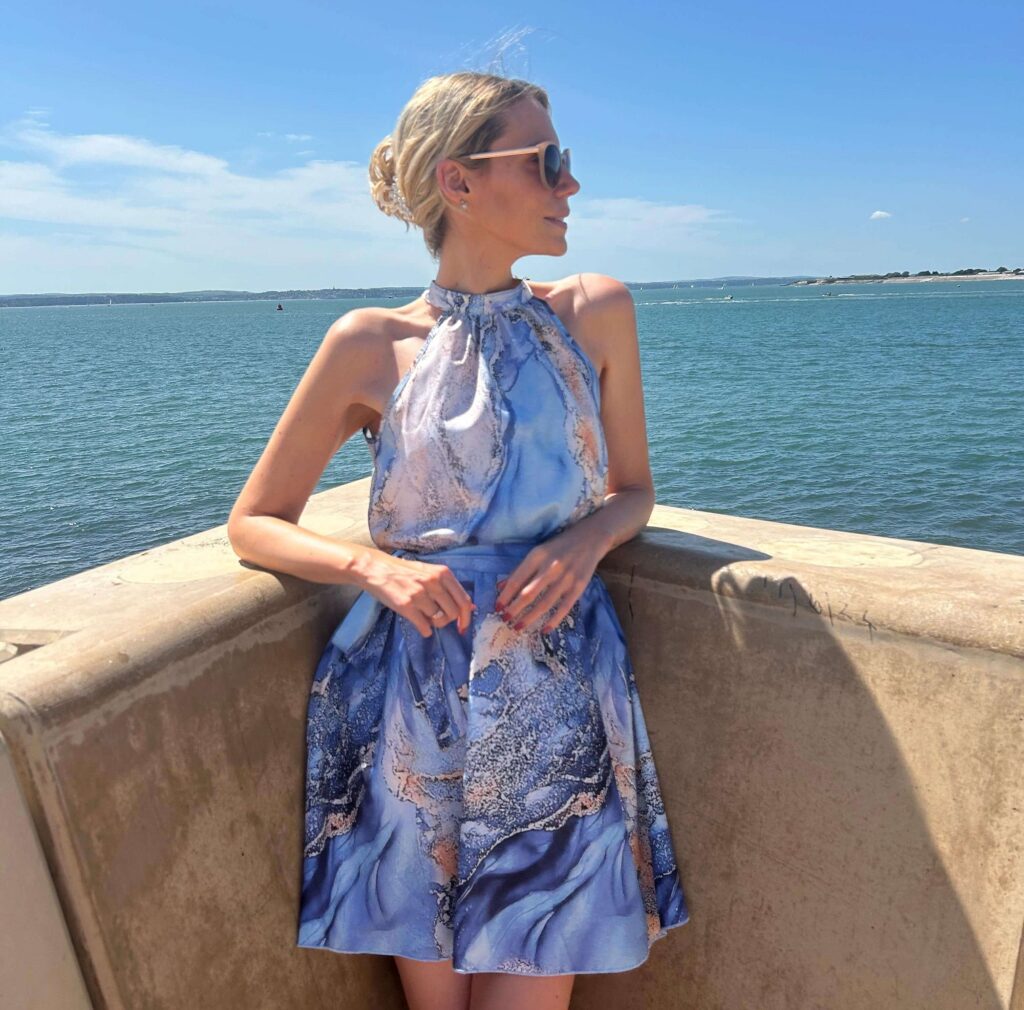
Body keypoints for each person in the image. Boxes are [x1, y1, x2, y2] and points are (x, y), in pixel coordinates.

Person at [227, 70, 689, 1010]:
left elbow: (635, 491)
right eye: (547, 162)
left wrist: (588, 539)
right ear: (460, 182)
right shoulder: (369, 342)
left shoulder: (595, 311)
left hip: (557, 695)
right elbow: (255, 521)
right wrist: (373, 567)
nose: (570, 186)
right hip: (408, 697)